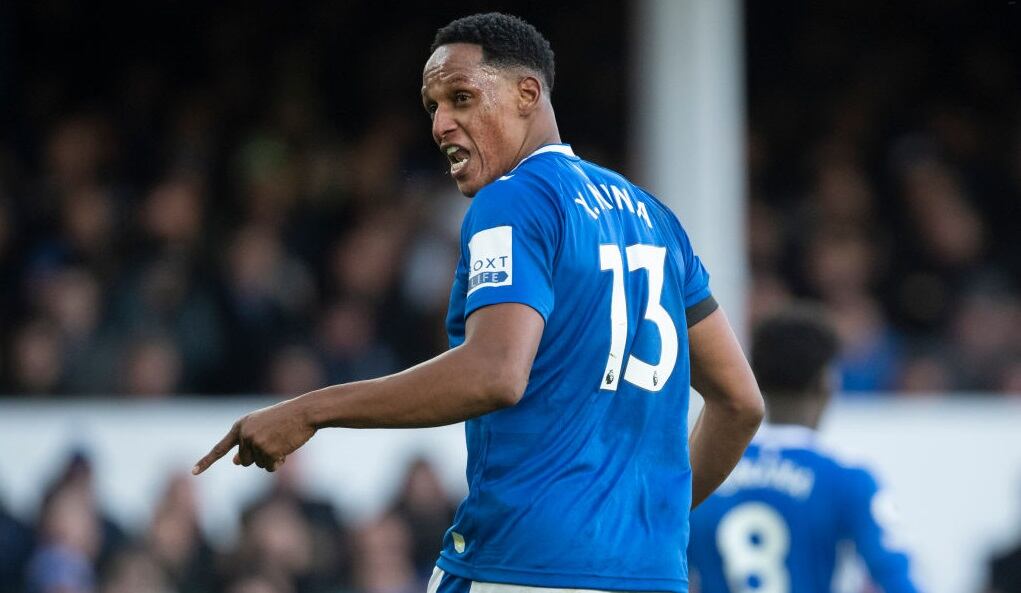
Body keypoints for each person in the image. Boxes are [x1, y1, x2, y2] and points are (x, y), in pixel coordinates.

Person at [193, 12, 763, 593]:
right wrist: (646, 519)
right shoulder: (657, 219)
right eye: (433, 106)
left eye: (461, 98)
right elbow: (740, 403)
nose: (441, 124)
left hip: (523, 564)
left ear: (526, 94)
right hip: (650, 574)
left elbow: (495, 373)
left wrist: (309, 409)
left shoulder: (513, 200)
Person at [687, 305, 922, 593]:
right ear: (828, 382)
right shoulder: (847, 478)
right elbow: (897, 579)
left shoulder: (701, 470)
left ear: (754, 378)